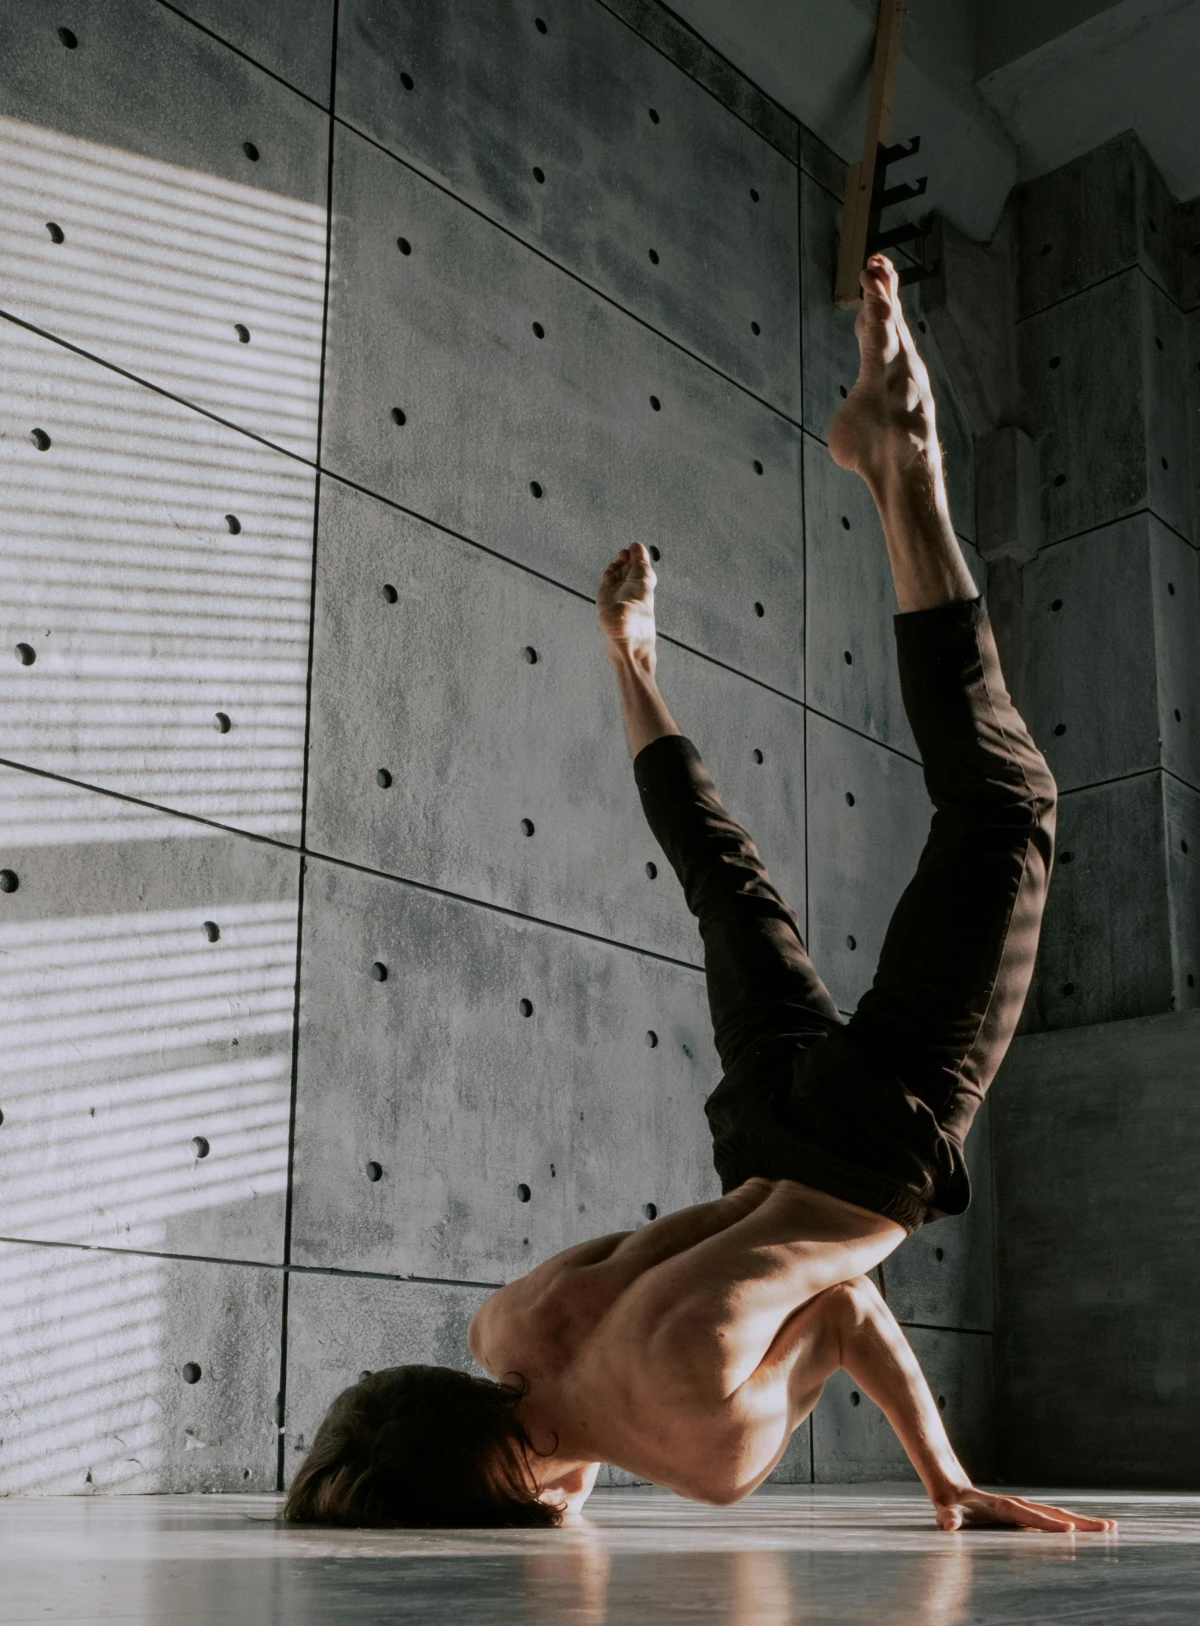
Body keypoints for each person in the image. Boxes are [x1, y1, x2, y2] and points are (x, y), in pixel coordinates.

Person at [287, 256, 1112, 1538]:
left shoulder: (696, 1443)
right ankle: (629, 662)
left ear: (498, 1497)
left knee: (1008, 812)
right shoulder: (508, 1320)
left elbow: (839, 1307)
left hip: (865, 1153)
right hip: (760, 1129)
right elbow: (765, 1298)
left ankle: (901, 464)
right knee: (722, 883)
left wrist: (943, 1481)